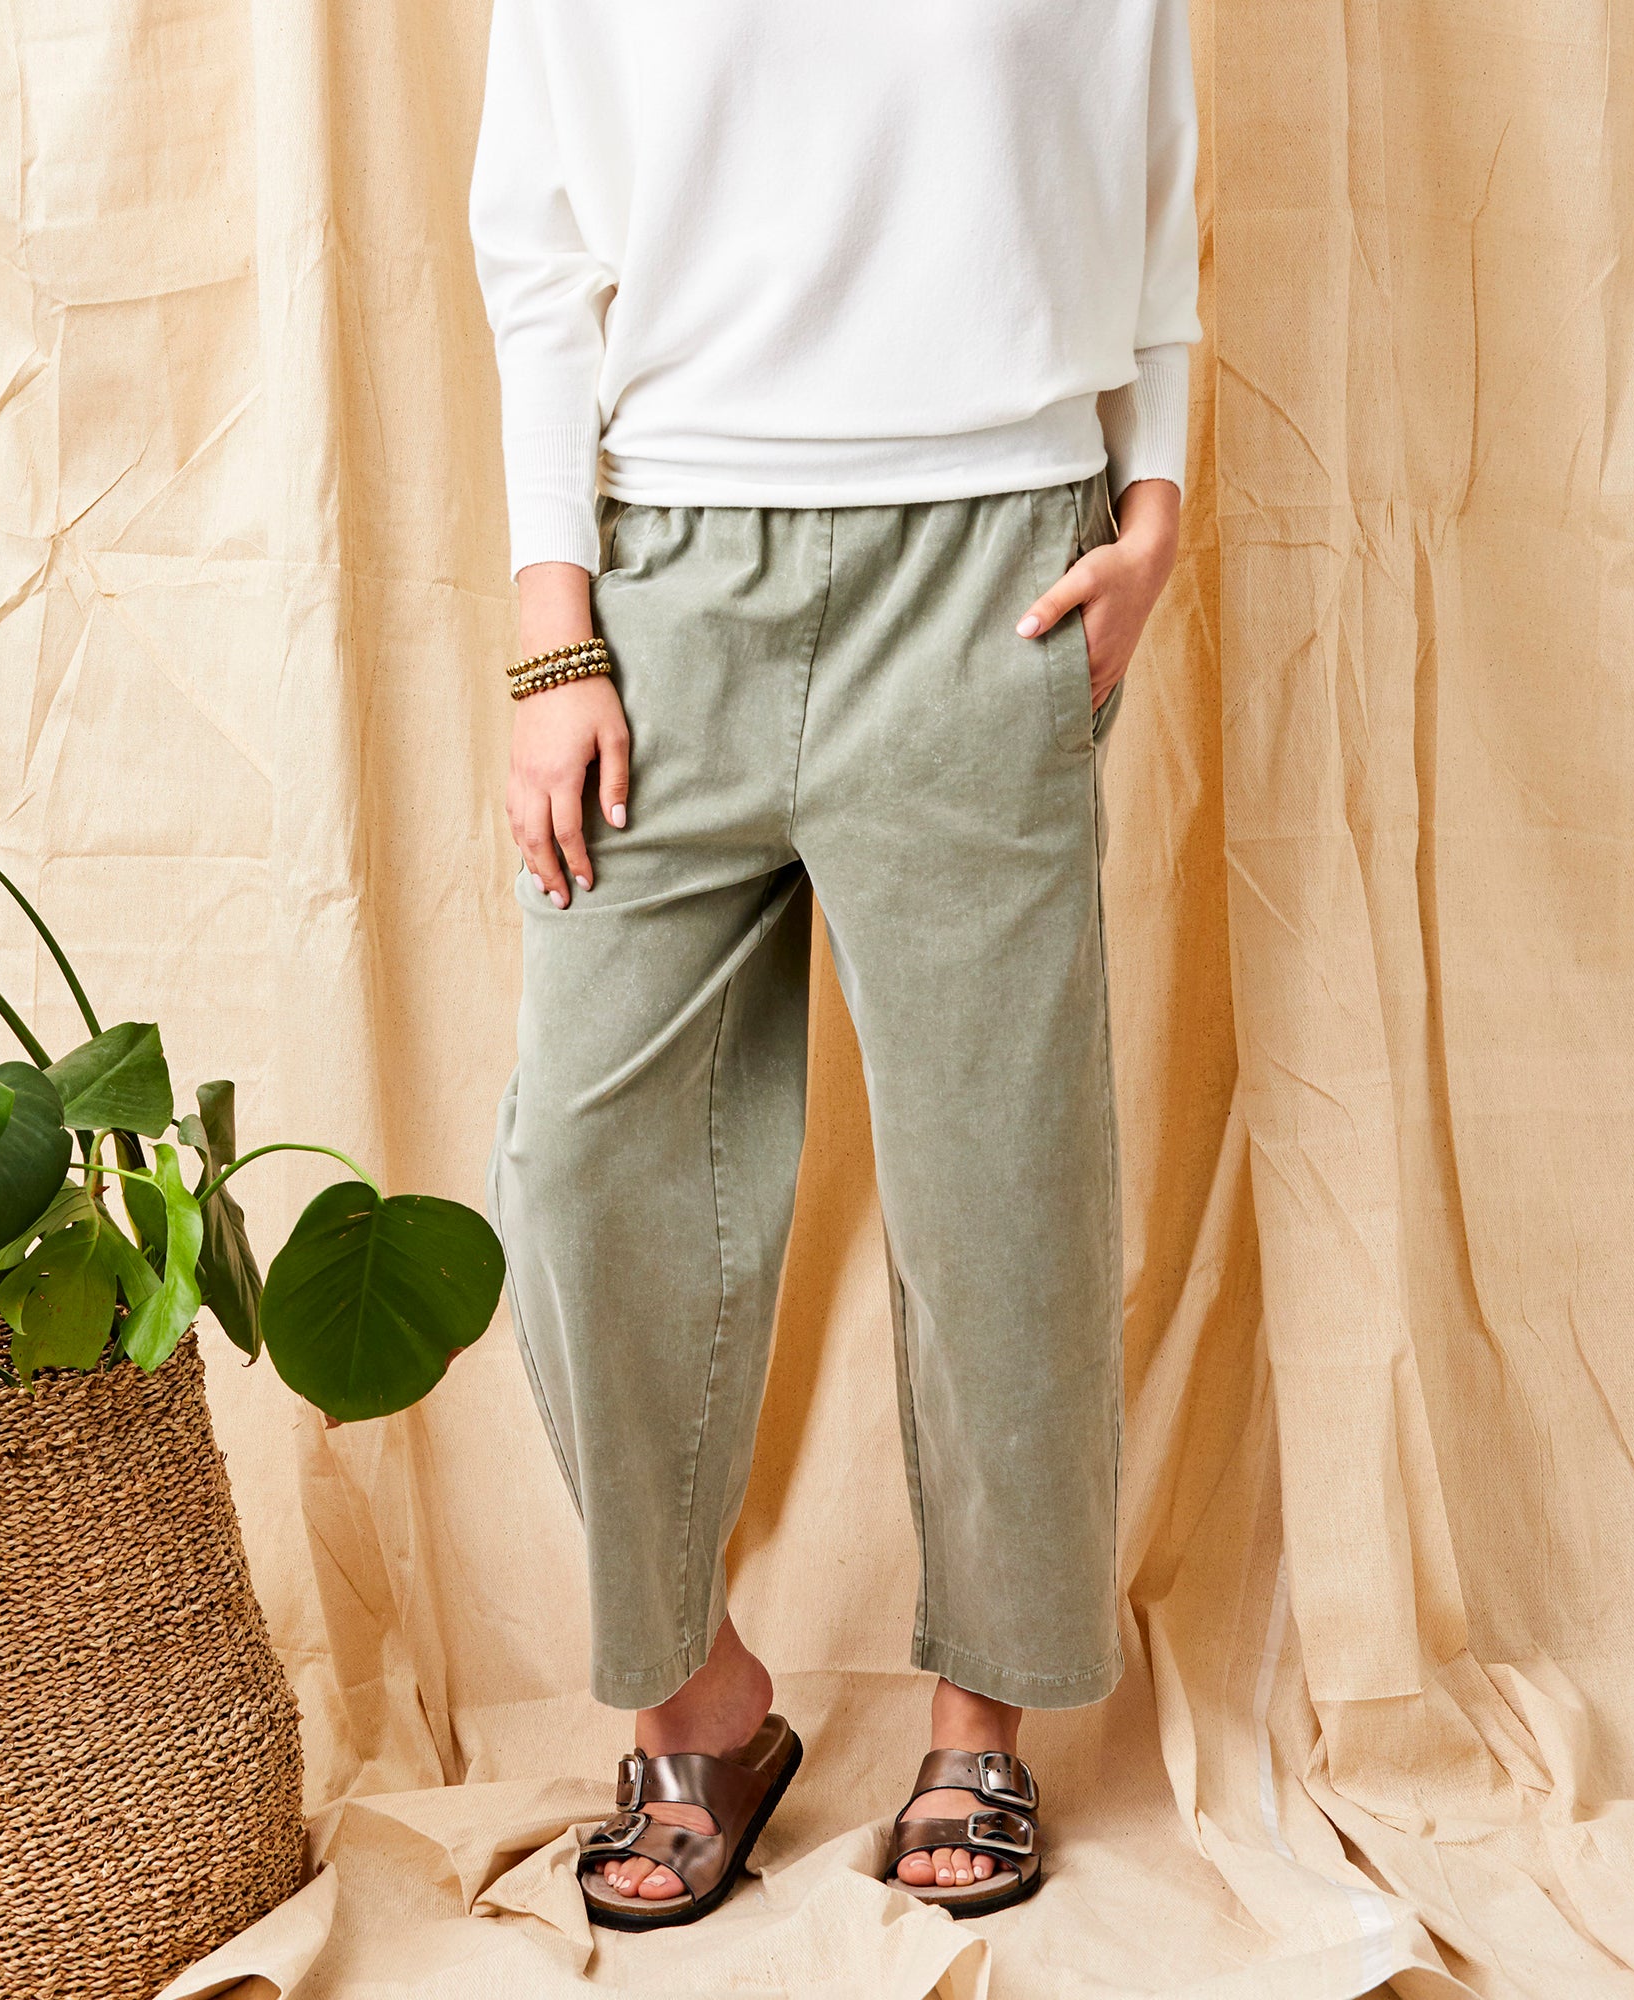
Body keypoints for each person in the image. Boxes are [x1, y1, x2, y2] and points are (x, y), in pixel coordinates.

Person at [471, 0, 1200, 1930]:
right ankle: (696, 1696)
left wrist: (1156, 501)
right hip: (666, 577)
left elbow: (1147, 157)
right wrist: (556, 623)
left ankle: (982, 1719)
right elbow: (537, 241)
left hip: (990, 570)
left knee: (1000, 1178)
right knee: (581, 1167)